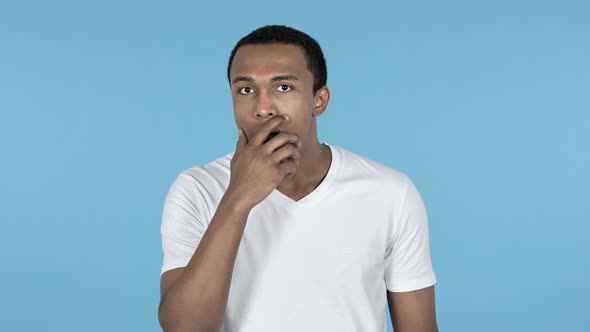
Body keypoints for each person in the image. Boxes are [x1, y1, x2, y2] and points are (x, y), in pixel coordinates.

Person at [158, 25, 439, 332]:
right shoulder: (196, 189)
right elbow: (184, 328)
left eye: (284, 88)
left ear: (319, 100)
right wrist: (238, 197)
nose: (263, 108)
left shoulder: (390, 193)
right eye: (246, 90)